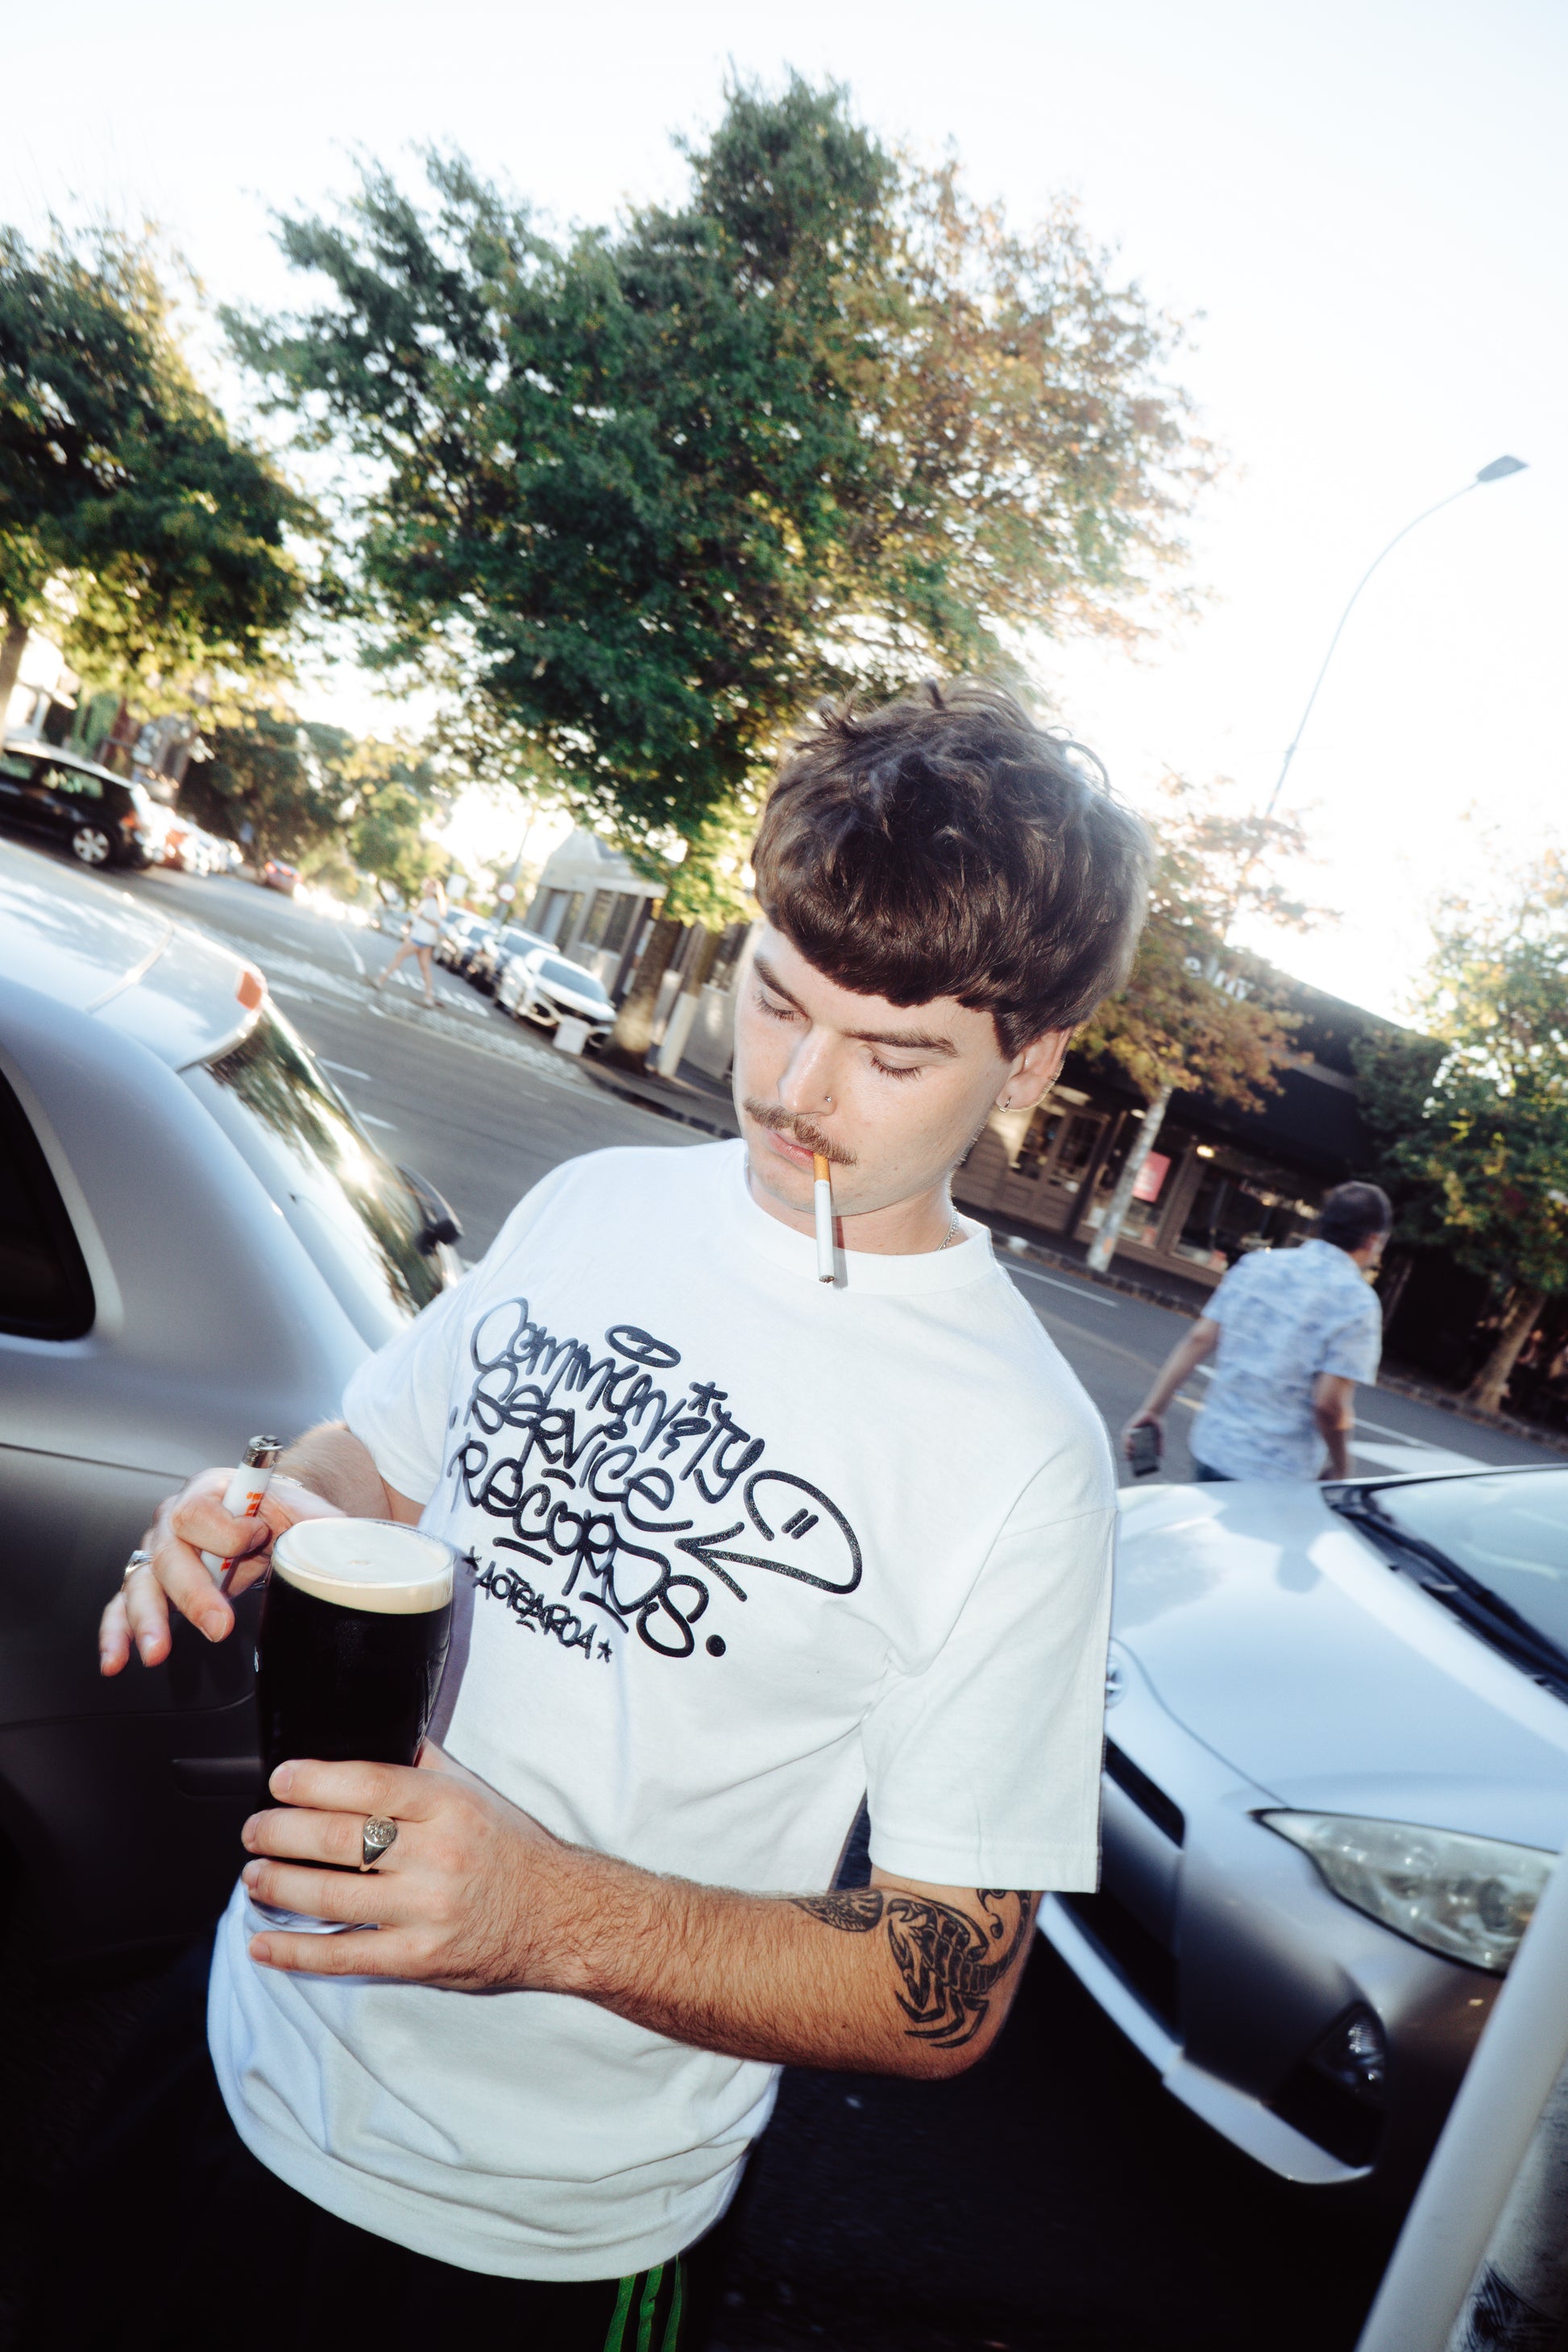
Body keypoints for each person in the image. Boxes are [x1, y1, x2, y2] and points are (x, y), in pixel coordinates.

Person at [67, 683, 1151, 2352]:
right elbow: (381, 1458)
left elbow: (949, 1981)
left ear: (1033, 1059)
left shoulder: (1023, 1452)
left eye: (894, 1053)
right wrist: (268, 1503)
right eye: (776, 999)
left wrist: (548, 1916)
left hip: (533, 2243)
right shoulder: (595, 1200)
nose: (799, 1089)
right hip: (233, 2043)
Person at [1123, 1180, 1393, 1483]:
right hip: (1277, 1472)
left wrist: (1154, 1410)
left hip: (1214, 1447)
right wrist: (1342, 1466)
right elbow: (1328, 1405)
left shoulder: (1256, 1266)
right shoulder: (1357, 1303)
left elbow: (1199, 1339)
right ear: (1372, 1240)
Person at [374, 875, 447, 1009]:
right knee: (425, 967)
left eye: (429, 886)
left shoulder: (432, 903)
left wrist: (423, 917)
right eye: (426, 885)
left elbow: (437, 923)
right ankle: (429, 998)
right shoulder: (426, 901)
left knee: (399, 954)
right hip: (423, 938)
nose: (425, 887)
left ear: (434, 890)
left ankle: (380, 980)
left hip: (422, 938)